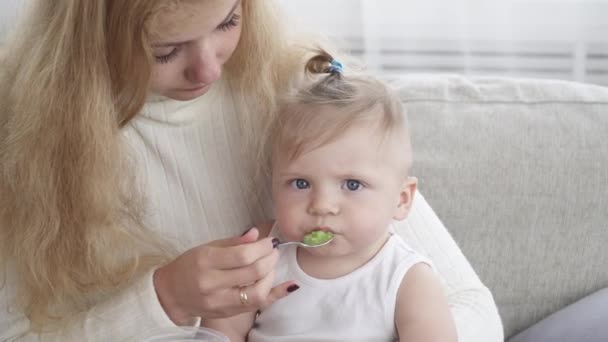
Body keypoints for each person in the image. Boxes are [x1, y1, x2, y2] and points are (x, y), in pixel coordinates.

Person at [0, 0, 503, 341]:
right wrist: (163, 300)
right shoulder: (28, 142)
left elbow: (473, 311)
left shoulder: (302, 92)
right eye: (165, 50)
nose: (209, 70)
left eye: (227, 22)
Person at [204, 50, 459, 342]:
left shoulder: (408, 281)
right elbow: (218, 332)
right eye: (300, 183)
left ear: (401, 199)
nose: (322, 205)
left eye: (352, 185)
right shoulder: (263, 253)